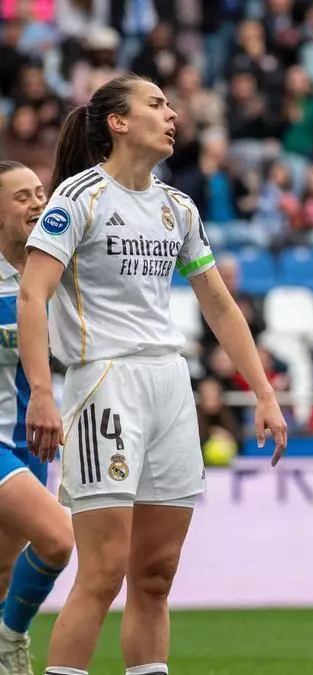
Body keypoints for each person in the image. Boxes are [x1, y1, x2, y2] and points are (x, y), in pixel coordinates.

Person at [19, 74, 288, 675]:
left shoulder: (178, 207)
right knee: (103, 572)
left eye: (170, 105)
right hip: (104, 381)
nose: (172, 115)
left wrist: (265, 393)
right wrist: (42, 391)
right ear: (118, 122)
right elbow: (33, 296)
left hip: (170, 383)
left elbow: (219, 305)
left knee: (156, 574)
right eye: (157, 104)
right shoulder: (77, 198)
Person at [0, 162, 75, 675]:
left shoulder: (53, 270)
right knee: (57, 540)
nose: (37, 203)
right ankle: (12, 641)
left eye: (40, 193)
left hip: (33, 443)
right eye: (22, 196)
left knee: (3, 570)